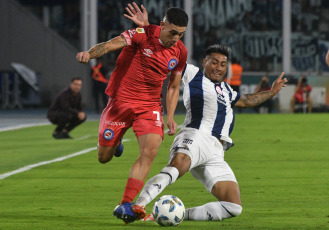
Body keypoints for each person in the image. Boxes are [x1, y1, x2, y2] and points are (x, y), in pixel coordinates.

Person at [122, 5, 288, 224]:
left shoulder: (228, 91)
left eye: (223, 64)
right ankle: (137, 205)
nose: (218, 68)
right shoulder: (193, 74)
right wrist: (147, 29)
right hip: (195, 136)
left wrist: (272, 92)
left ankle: (174, 215)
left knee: (233, 206)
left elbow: (248, 100)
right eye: (214, 62)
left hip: (216, 151)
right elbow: (168, 49)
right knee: (176, 168)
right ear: (204, 62)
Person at [76, 3, 189, 224]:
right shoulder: (142, 34)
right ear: (162, 25)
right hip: (120, 104)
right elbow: (112, 44)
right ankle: (115, 143)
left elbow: (174, 87)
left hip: (149, 107)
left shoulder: (180, 52)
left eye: (181, 34)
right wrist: (89, 54)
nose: (176, 38)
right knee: (103, 157)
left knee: (151, 150)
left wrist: (171, 116)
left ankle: (125, 203)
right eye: (173, 32)